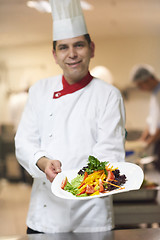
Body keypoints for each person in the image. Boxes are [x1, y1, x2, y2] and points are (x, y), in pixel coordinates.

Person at [15, 0, 126, 234]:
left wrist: (73, 184)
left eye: (79, 45)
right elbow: (24, 142)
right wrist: (43, 163)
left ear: (92, 48)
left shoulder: (108, 95)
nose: (72, 54)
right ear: (54, 55)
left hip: (91, 216)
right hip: (44, 216)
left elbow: (109, 153)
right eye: (64, 48)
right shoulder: (39, 90)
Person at [130, 64, 160, 168]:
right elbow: (151, 120)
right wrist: (142, 140)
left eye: (140, 85)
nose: (140, 89)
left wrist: (148, 143)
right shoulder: (154, 94)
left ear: (149, 79)